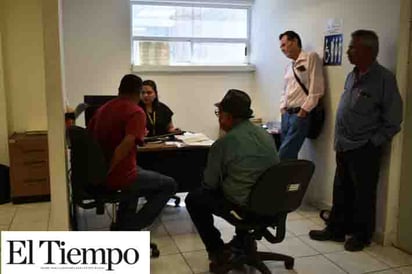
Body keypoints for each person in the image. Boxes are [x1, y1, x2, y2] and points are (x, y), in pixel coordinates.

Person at [309, 30, 403, 251]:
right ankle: (336, 229)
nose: (348, 51)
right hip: (344, 143)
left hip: (365, 147)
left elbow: (394, 118)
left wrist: (374, 142)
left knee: (363, 193)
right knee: (341, 189)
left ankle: (362, 236)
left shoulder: (384, 79)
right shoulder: (352, 75)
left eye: (353, 47)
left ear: (369, 51)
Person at [185, 89, 279, 272]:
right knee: (243, 187)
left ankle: (218, 250)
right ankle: (241, 242)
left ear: (227, 116)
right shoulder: (266, 135)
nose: (218, 118)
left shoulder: (223, 144)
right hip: (275, 203)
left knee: (194, 199)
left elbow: (209, 184)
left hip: (246, 208)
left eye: (219, 114)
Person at [88, 74, 177, 230]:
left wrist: (101, 170)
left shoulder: (102, 109)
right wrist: (109, 171)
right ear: (138, 92)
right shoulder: (135, 112)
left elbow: (89, 137)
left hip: (96, 171)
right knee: (169, 185)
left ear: (119, 90)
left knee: (139, 178)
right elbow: (125, 146)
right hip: (118, 173)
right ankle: (131, 227)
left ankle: (122, 224)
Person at [278, 30, 325, 160]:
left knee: (284, 154)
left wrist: (303, 111)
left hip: (300, 114)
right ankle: (289, 180)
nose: (282, 49)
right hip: (287, 114)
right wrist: (282, 108)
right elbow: (284, 90)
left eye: (284, 44)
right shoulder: (289, 67)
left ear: (295, 41)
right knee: (289, 155)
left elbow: (317, 89)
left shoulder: (311, 58)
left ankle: (280, 178)